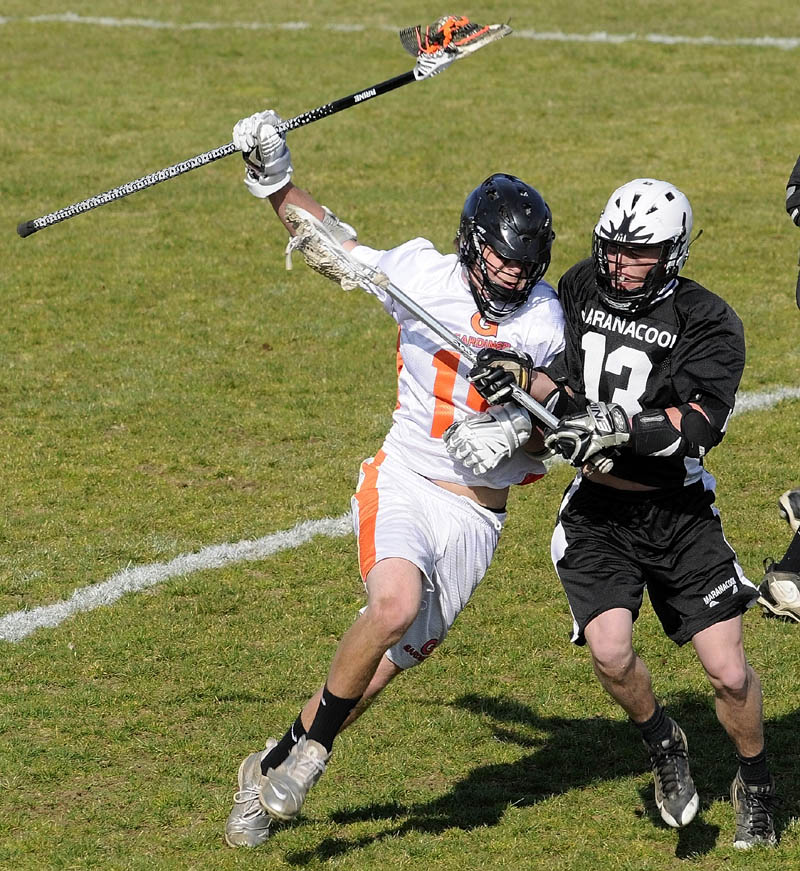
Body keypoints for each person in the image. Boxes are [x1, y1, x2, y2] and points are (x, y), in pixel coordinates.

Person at [222, 109, 565, 847]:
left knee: (378, 670)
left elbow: (559, 418)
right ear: (473, 247)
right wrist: (274, 176)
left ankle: (275, 758)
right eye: (501, 262)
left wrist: (518, 418)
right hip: (407, 476)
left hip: (477, 518)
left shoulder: (543, 319)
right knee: (393, 604)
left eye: (523, 267)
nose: (512, 277)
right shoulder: (419, 275)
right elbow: (331, 244)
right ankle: (312, 757)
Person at [448, 178, 778, 848]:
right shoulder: (580, 287)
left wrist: (620, 426)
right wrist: (518, 377)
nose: (620, 264)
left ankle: (759, 784)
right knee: (610, 649)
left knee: (728, 668)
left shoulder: (709, 320)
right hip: (599, 511)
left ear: (673, 253)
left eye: (638, 253)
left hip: (678, 511)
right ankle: (664, 743)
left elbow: (701, 425)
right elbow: (560, 386)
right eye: (613, 249)